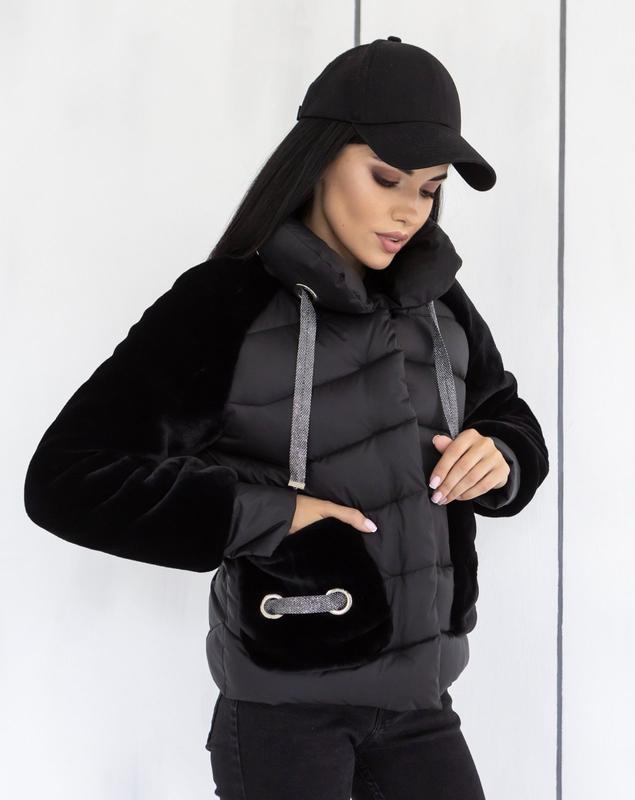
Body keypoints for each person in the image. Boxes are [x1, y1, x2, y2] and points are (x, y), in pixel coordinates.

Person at [23, 37, 549, 799]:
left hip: (422, 706)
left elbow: (507, 416)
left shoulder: (438, 304)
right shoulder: (224, 304)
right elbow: (66, 479)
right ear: (322, 160)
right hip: (282, 717)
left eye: (430, 189)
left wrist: (503, 454)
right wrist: (270, 515)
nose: (409, 210)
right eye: (387, 178)